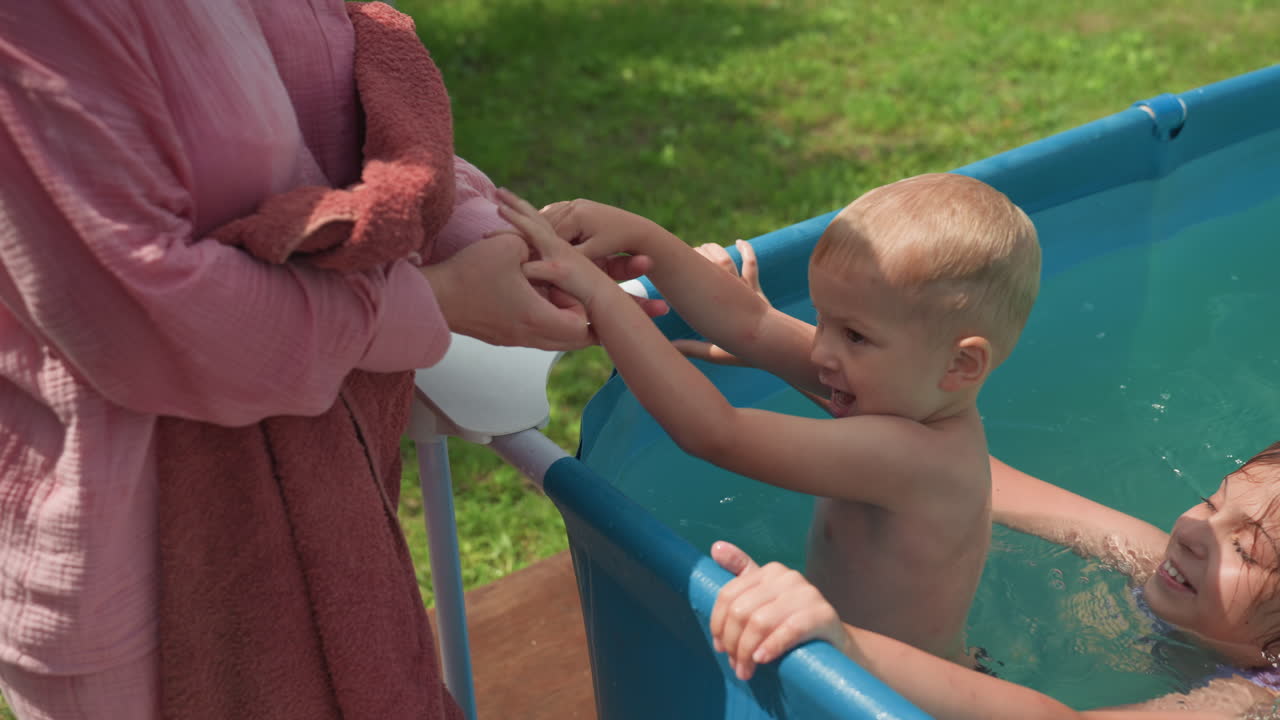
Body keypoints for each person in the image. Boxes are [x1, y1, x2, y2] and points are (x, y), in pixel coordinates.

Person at [0, 3, 660, 719]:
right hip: (133, 550)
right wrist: (440, 297)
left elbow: (327, 101)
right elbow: (141, 316)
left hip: (322, 479)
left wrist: (493, 240)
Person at [493, 171, 1041, 664]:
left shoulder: (915, 457)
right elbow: (753, 323)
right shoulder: (902, 384)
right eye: (822, 321)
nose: (821, 351)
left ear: (961, 364)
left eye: (853, 335)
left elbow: (717, 433)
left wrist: (600, 297)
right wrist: (640, 236)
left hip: (889, 700)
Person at [707, 442, 1280, 719]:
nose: (1193, 531)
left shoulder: (1250, 700)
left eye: (1245, 550)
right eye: (1211, 503)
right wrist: (786, 343)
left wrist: (848, 643)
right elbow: (969, 475)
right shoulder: (1165, 564)